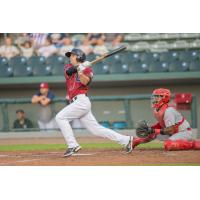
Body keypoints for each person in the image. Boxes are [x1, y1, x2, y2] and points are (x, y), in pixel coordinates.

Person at [55, 48, 133, 157]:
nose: (70, 58)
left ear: (79, 57)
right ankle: (126, 140)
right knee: (96, 129)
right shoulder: (68, 67)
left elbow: (85, 82)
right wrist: (79, 67)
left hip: (81, 101)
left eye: (72, 56)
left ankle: (72, 145)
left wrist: (81, 71)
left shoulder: (88, 70)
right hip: (75, 102)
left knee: (60, 117)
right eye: (70, 56)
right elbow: (69, 72)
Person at [134, 88, 200, 150]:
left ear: (164, 98)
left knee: (169, 144)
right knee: (152, 133)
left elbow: (171, 130)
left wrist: (153, 130)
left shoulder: (169, 111)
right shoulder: (157, 110)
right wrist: (150, 129)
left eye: (157, 96)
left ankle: (193, 144)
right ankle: (135, 142)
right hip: (174, 132)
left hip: (183, 132)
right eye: (154, 96)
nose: (154, 98)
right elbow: (161, 125)